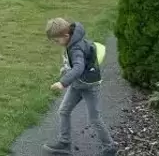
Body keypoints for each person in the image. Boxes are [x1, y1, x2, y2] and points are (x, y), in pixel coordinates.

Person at [43, 19, 117, 155]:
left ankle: (110, 146)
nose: (56, 43)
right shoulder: (71, 42)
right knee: (64, 111)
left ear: (66, 36)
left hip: (89, 86)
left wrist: (62, 82)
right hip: (77, 84)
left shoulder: (76, 48)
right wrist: (65, 69)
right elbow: (72, 65)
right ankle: (64, 143)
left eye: (56, 40)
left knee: (94, 118)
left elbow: (78, 67)